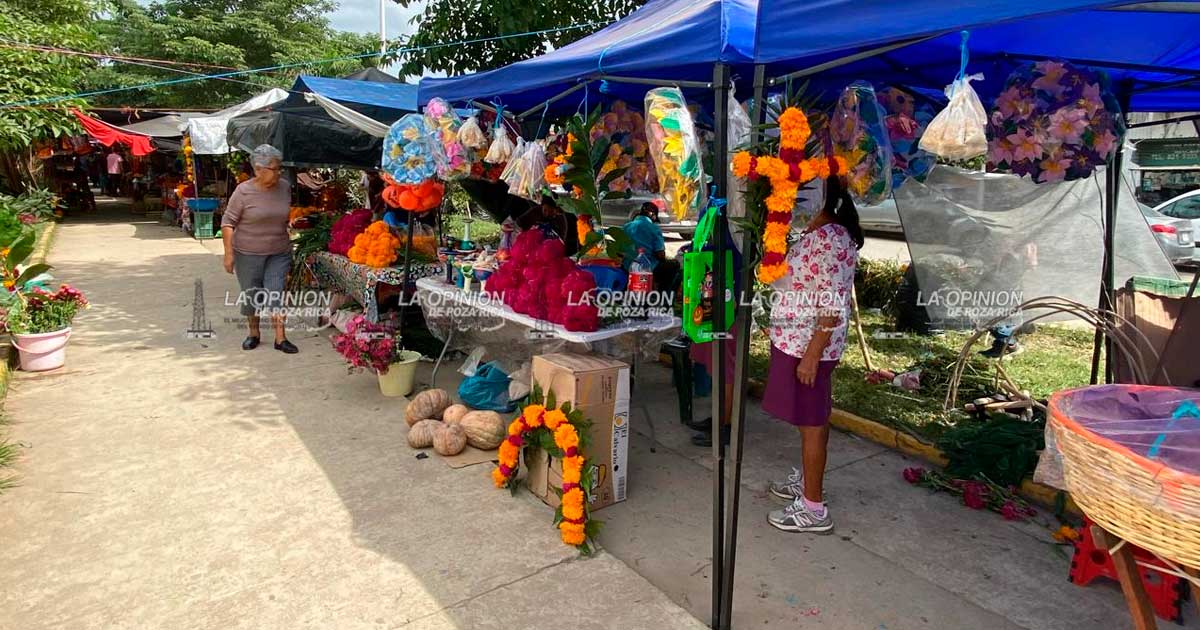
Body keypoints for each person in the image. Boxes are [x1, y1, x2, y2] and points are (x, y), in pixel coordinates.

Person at [763, 174, 862, 534]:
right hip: (797, 340)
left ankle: (813, 507)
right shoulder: (817, 231)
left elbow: (832, 304)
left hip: (809, 345)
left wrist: (812, 355)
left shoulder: (833, 238)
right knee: (810, 418)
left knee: (813, 424)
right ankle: (807, 483)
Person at [221, 144, 298, 354]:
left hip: (278, 251)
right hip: (248, 253)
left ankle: (280, 338)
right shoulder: (243, 191)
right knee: (252, 295)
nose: (278, 172)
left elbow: (283, 215)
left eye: (279, 168)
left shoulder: (284, 187)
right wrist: (228, 254)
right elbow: (227, 223)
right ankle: (253, 333)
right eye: (274, 168)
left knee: (276, 294)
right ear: (258, 169)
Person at [622, 201, 681, 292]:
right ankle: (664, 297)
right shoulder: (654, 228)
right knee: (675, 265)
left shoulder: (626, 227)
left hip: (627, 267)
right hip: (648, 268)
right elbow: (660, 254)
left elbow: (619, 250)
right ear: (652, 215)